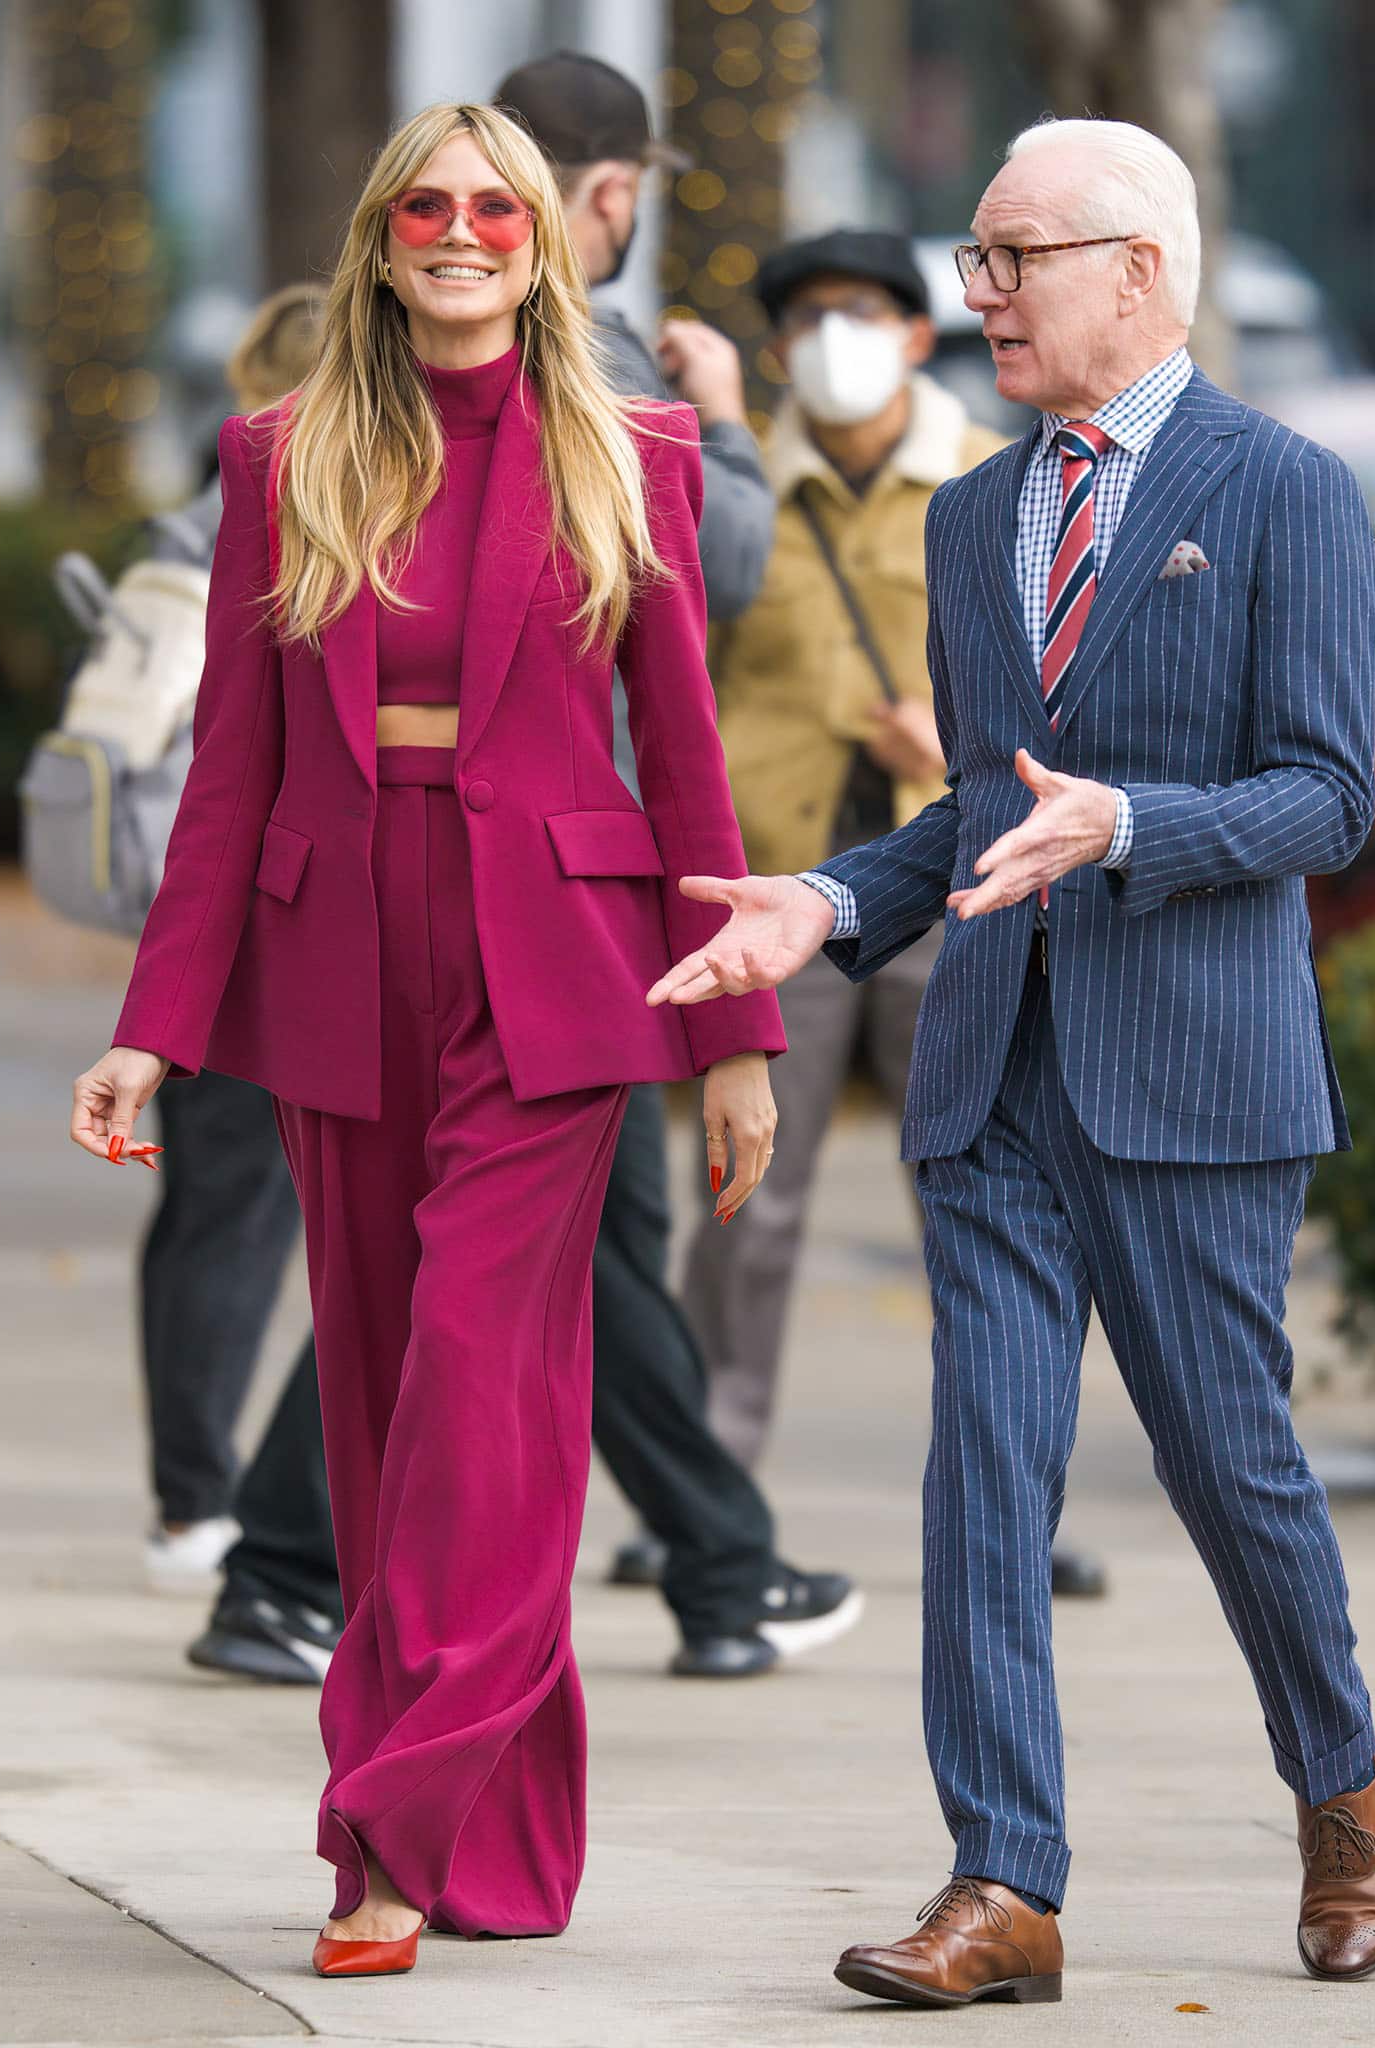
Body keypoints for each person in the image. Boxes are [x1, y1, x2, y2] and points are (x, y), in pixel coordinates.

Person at [649, 117, 1375, 2003]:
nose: (969, 293)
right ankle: (1004, 1885)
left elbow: (1323, 798)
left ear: (1135, 269)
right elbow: (980, 807)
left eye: (1009, 258)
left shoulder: (1287, 490)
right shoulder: (969, 514)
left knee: (1229, 1464)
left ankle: (1344, 1801)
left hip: (1197, 1081)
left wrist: (1131, 829)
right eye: (970, 260)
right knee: (981, 1471)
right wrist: (827, 905)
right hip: (991, 1075)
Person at [70, 101, 782, 1977]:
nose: (460, 234)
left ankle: (384, 1829)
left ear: (545, 241)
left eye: (495, 208)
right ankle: (500, 1839)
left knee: (479, 1383)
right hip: (337, 961)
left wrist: (737, 1034)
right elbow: (227, 773)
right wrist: (156, 1030)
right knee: (392, 1416)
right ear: (380, 238)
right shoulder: (280, 454)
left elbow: (687, 757)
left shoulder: (635, 451)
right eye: (424, 209)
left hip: (557, 966)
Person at [495, 51, 861, 1674]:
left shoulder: (421, 353)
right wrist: (717, 419)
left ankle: (719, 1562)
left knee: (542, 1235)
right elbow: (704, 576)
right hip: (571, 876)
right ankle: (721, 1561)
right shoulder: (593, 343)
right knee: (564, 1231)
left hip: (521, 875)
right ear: (611, 192)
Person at [677, 228, 1105, 1605]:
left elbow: (1065, 681)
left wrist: (954, 735)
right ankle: (703, 1502)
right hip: (790, 884)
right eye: (801, 319)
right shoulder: (738, 487)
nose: (828, 341)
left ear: (916, 336)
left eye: (856, 313)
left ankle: (1012, 1511)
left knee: (985, 1211)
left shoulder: (997, 478)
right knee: (749, 1197)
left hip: (964, 885)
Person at [131, 286, 344, 1681]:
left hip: (215, 919)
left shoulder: (196, 521)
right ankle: (223, 1516)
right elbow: (224, 764)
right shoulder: (268, 513)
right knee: (242, 1215)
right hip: (254, 920)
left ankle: (202, 1501)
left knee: (221, 1214)